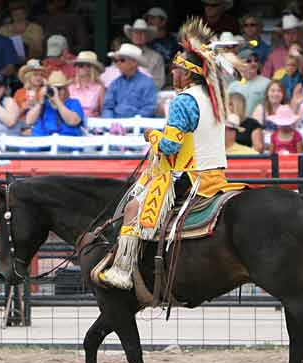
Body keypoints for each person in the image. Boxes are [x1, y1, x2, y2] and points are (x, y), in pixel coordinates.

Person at [98, 17, 245, 290]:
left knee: (133, 208)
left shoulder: (183, 101)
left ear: (187, 73)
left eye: (175, 68)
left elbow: (170, 147)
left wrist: (152, 136)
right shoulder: (214, 99)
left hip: (192, 177)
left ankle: (123, 269)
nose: (172, 73)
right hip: (217, 176)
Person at [101, 43, 157, 118]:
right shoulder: (115, 83)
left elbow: (149, 109)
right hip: (115, 126)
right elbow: (107, 107)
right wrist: (111, 123)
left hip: (138, 126)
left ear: (134, 62)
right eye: (116, 60)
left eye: (122, 60)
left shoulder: (147, 83)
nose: (118, 63)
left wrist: (132, 122)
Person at [26, 69, 83, 140]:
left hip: (65, 142)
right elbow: (29, 121)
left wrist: (57, 101)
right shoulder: (43, 104)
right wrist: (41, 102)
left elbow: (73, 122)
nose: (56, 91)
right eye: (53, 88)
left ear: (65, 89)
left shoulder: (73, 103)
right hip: (40, 141)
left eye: (59, 88)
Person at [227, 48, 269, 118]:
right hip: (238, 126)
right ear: (240, 64)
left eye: (256, 61)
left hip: (258, 126)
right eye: (249, 61)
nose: (253, 63)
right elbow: (227, 109)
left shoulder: (267, 83)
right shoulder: (233, 86)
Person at [124, 18, 165, 89]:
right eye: (136, 32)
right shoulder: (122, 55)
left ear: (147, 36)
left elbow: (159, 82)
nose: (139, 35)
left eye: (142, 33)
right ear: (132, 35)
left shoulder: (156, 57)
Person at [68, 51, 105, 118]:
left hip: (92, 125)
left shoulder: (99, 88)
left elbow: (104, 112)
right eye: (76, 65)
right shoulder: (70, 87)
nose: (77, 68)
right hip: (73, 124)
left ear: (90, 68)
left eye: (81, 66)